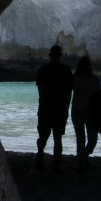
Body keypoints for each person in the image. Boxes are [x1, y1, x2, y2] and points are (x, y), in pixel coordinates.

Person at [35, 45, 74, 173]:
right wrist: (65, 109)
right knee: (56, 138)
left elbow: (41, 91)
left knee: (45, 136)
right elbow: (68, 92)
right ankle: (55, 163)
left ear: (50, 55)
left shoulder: (44, 69)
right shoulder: (65, 70)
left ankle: (41, 158)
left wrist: (46, 107)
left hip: (48, 108)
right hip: (58, 109)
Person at [70, 56, 101, 174]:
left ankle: (82, 159)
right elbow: (99, 96)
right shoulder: (92, 79)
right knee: (88, 139)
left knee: (85, 139)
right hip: (84, 111)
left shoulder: (76, 78)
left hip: (83, 111)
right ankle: (82, 161)